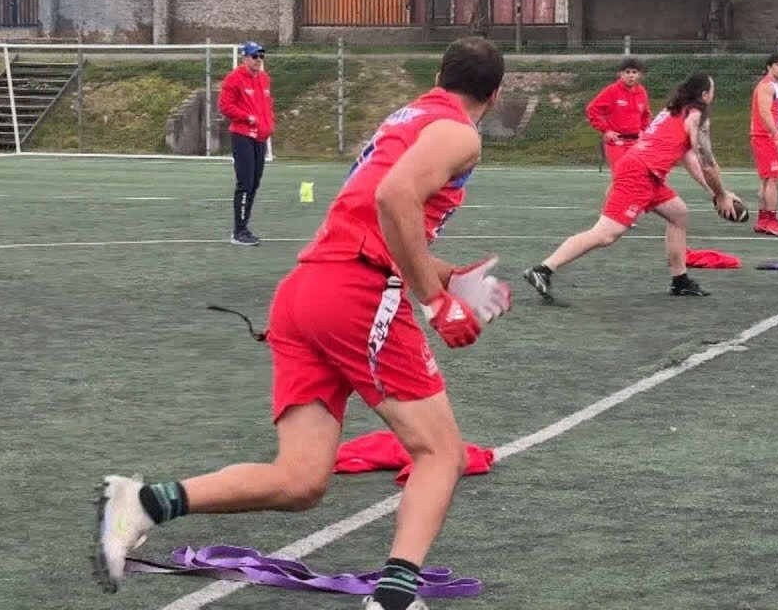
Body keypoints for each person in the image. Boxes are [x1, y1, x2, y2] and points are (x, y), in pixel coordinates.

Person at [94, 37, 513, 610]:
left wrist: (449, 279)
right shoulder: (460, 131)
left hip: (306, 291)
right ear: (495, 92)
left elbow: (374, 220)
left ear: (439, 74)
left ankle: (144, 502)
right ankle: (392, 599)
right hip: (355, 295)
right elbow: (394, 200)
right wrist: (432, 299)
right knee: (442, 453)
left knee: (300, 479)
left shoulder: (404, 119)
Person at [522, 73, 744, 303]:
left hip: (648, 173)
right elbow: (707, 163)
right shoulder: (696, 116)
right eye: (712, 90)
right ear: (705, 95)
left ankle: (680, 280)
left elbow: (688, 158)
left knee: (678, 213)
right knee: (606, 233)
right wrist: (721, 194)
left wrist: (714, 194)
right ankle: (543, 269)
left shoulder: (674, 110)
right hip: (640, 173)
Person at [219, 41, 275, 246]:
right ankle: (239, 231)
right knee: (245, 183)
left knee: (255, 183)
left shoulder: (264, 78)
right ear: (244, 58)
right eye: (254, 56)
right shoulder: (233, 79)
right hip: (243, 137)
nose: (259, 60)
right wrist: (248, 117)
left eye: (261, 56)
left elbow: (267, 105)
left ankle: (244, 227)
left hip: (260, 138)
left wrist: (269, 122)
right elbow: (225, 106)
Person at [751, 52, 778, 236]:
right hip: (765, 137)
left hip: (771, 136)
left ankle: (763, 220)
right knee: (773, 179)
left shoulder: (776, 86)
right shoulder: (767, 86)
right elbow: (765, 113)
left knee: (771, 179)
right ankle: (771, 221)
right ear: (769, 67)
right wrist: (776, 137)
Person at [587, 57, 652, 172]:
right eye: (627, 72)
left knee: (637, 175)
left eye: (634, 72)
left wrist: (643, 130)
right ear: (621, 74)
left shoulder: (642, 92)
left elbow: (645, 115)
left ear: (639, 75)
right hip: (616, 142)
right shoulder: (612, 91)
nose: (631, 75)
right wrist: (606, 130)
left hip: (635, 142)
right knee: (621, 175)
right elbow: (592, 109)